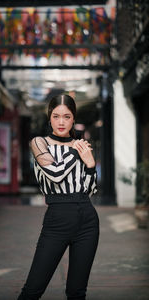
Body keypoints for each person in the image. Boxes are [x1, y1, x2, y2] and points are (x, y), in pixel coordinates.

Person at [17, 94, 99, 300]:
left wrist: (90, 165)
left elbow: (89, 190)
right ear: (49, 117)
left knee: (77, 292)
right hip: (57, 220)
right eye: (56, 116)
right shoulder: (39, 143)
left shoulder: (80, 146)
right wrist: (76, 153)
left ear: (73, 119)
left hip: (87, 221)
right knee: (32, 290)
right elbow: (55, 174)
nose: (61, 122)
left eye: (67, 116)